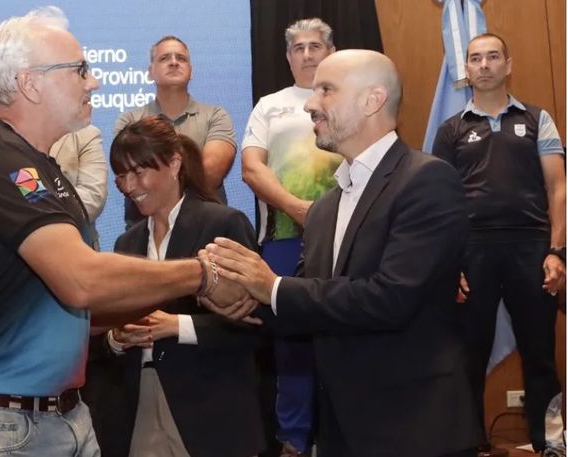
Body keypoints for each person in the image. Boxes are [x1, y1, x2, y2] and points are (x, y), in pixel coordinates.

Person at [0, 8, 246, 457]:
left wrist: (159, 312)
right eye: (79, 70)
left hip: (58, 417)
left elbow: (78, 307)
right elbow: (81, 281)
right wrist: (203, 274)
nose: (93, 82)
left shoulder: (43, 168)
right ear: (30, 83)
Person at [201, 50, 483, 457]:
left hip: (415, 428)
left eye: (326, 90)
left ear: (372, 100)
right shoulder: (325, 208)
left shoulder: (427, 180)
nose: (310, 105)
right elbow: (307, 308)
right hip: (340, 431)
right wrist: (237, 299)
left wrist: (272, 286)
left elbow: (391, 299)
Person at [98, 116, 264, 457]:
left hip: (212, 408)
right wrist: (116, 339)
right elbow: (108, 332)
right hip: (140, 406)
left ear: (174, 164)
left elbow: (256, 324)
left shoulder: (223, 225)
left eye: (138, 172)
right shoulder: (126, 243)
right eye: (121, 176)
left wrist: (177, 326)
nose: (129, 186)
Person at [432, 32, 565, 453]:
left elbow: (558, 188)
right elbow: (438, 201)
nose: (484, 65)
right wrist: (448, 263)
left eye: (493, 57)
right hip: (471, 252)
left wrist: (557, 251)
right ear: (466, 69)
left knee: (540, 354)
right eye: (475, 58)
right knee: (468, 355)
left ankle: (550, 443)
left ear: (509, 65)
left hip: (532, 248)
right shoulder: (451, 130)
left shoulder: (537, 118)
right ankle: (470, 444)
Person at [241, 17, 339, 457]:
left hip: (346, 238)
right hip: (283, 238)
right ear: (287, 57)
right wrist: (299, 210)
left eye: (314, 46)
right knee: (291, 345)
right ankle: (294, 441)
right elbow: (252, 168)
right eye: (298, 48)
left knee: (345, 336)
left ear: (330, 52)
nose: (306, 54)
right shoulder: (270, 105)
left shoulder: (349, 98)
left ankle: (342, 436)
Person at [115, 35, 236, 227]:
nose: (173, 62)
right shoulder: (130, 120)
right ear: (150, 72)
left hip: (206, 228)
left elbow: (211, 173)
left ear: (191, 71)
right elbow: (131, 177)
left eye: (181, 58)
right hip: (144, 229)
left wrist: (156, 181)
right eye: (164, 58)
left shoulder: (216, 115)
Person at [49, 124, 107, 249]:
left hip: (79, 245)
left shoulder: (85, 134)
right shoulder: (10, 138)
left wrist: (39, 209)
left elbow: (93, 197)